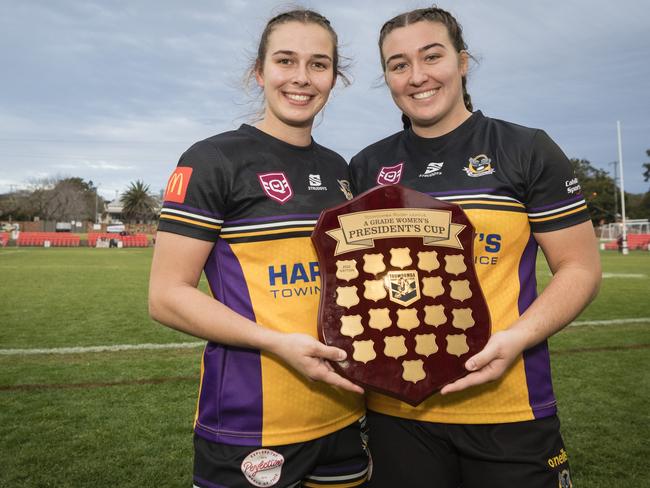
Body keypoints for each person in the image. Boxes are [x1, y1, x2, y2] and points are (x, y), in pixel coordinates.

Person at [349, 6, 601, 488]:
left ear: (463, 62)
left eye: (432, 56)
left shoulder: (525, 148)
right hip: (397, 412)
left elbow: (580, 269)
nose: (417, 76)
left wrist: (515, 340)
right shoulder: (366, 167)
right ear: (387, 77)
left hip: (510, 406)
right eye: (398, 64)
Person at [149, 9, 369, 488]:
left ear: (335, 76)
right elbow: (166, 296)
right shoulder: (213, 159)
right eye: (285, 61)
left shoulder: (341, 170)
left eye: (318, 64)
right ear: (259, 71)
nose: (301, 78)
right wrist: (277, 342)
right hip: (250, 423)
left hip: (346, 411)